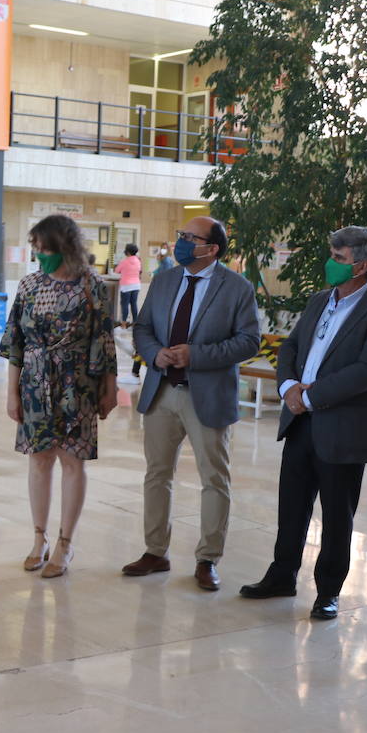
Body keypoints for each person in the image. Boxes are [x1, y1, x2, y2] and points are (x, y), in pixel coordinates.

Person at [239, 227, 367, 619]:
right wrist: (290, 387)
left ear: (361, 266)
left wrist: (309, 396)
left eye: (339, 258)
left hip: (341, 428)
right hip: (300, 422)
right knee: (291, 506)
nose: (331, 262)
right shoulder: (318, 301)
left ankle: (328, 590)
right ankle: (281, 575)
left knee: (336, 516)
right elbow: (292, 346)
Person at [123, 217, 259, 591]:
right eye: (181, 235)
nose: (180, 242)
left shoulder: (237, 288)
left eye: (188, 237)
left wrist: (195, 355)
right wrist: (155, 354)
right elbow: (143, 328)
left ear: (211, 248)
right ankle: (155, 551)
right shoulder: (166, 280)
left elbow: (249, 342)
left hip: (208, 396)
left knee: (214, 478)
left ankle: (207, 559)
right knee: (157, 474)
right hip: (162, 392)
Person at [0, 215, 117, 579]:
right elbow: (15, 343)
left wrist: (109, 388)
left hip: (77, 382)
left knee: (72, 460)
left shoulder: (92, 286)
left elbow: (105, 339)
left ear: (64, 247)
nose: (39, 254)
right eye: (35, 247)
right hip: (35, 381)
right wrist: (12, 392)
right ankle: (39, 539)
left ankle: (65, 543)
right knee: (39, 459)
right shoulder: (30, 285)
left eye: (43, 247)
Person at [115, 243, 142, 329]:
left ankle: (123, 324)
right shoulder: (138, 261)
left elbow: (117, 270)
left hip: (126, 286)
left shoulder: (124, 261)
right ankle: (135, 323)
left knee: (125, 304)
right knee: (134, 304)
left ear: (128, 252)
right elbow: (140, 270)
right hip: (136, 285)